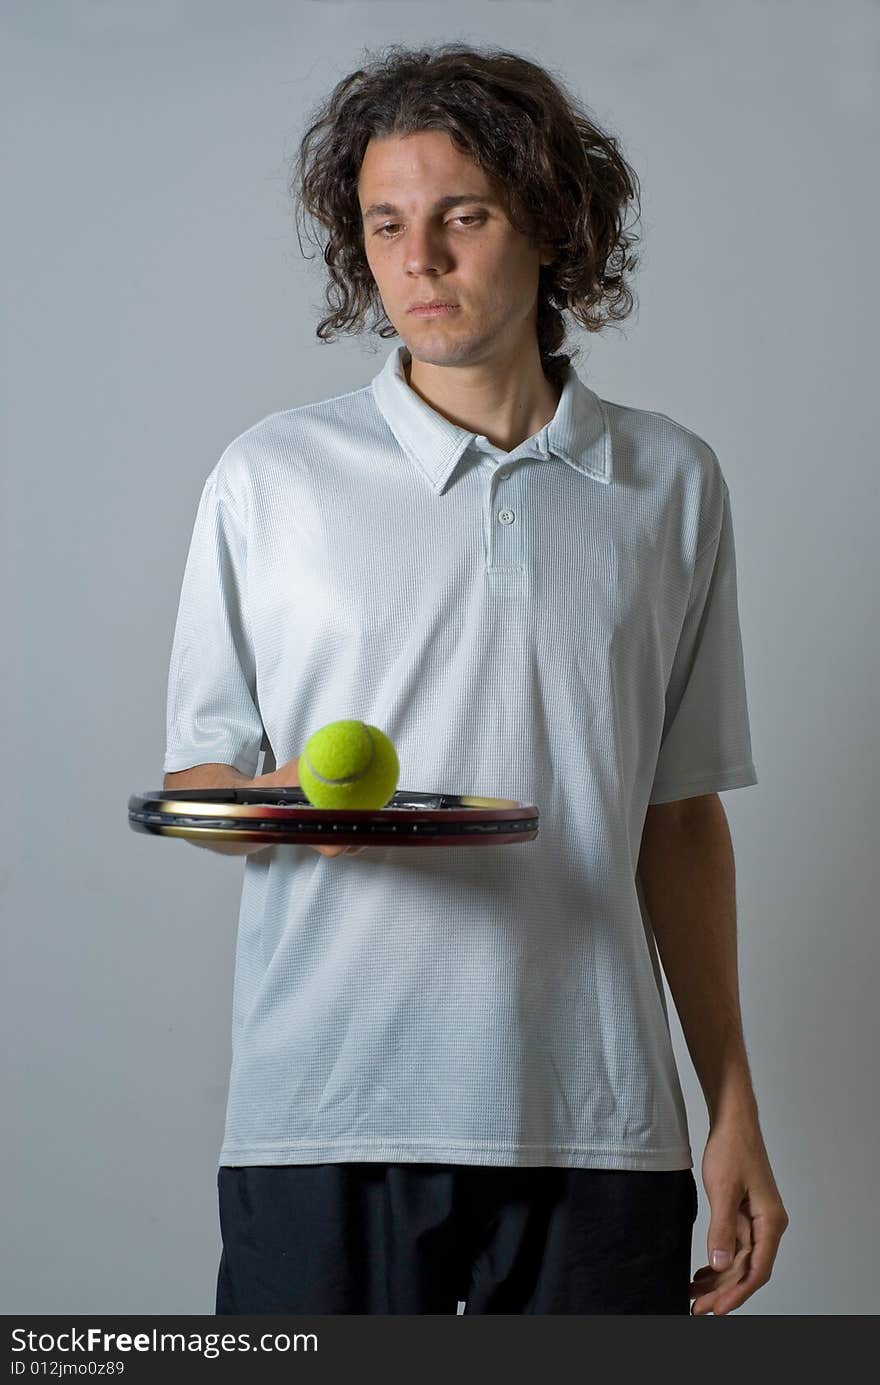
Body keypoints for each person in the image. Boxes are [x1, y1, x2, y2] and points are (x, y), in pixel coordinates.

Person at [162, 42, 788, 1315]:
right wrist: (284, 805)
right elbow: (198, 781)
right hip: (323, 1114)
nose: (419, 260)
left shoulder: (670, 482)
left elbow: (678, 818)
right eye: (386, 223)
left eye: (462, 216)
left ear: (549, 224)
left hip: (599, 1121)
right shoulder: (269, 477)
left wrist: (731, 1106)